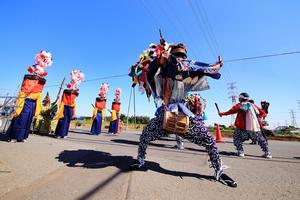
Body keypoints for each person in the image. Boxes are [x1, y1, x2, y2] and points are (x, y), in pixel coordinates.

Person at [128, 38, 237, 187]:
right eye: (178, 54)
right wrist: (160, 60)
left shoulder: (188, 70)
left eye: (183, 56)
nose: (181, 58)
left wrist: (216, 67)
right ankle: (140, 160)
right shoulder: (162, 70)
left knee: (210, 141)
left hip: (184, 114)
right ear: (170, 54)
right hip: (165, 114)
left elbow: (209, 71)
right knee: (145, 135)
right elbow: (150, 73)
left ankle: (219, 170)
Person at [7, 50, 52, 142]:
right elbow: (22, 93)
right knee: (21, 119)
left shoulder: (39, 89)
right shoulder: (27, 84)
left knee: (28, 121)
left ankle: (23, 137)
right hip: (25, 102)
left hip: (32, 104)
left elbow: (39, 99)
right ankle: (14, 136)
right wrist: (19, 106)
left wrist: (37, 110)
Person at [218, 92, 272, 159]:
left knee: (236, 137)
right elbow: (263, 113)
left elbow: (231, 111)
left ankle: (240, 152)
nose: (238, 99)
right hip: (254, 128)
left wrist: (222, 114)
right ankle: (267, 153)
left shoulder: (240, 105)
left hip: (242, 128)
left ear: (241, 98)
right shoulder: (253, 105)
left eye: (239, 98)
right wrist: (260, 117)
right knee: (261, 140)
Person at [54, 70, 84, 138]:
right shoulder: (66, 92)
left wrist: (73, 110)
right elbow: (63, 99)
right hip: (64, 107)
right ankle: (58, 133)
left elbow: (73, 101)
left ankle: (64, 134)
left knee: (67, 122)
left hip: (70, 107)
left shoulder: (74, 92)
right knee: (61, 120)